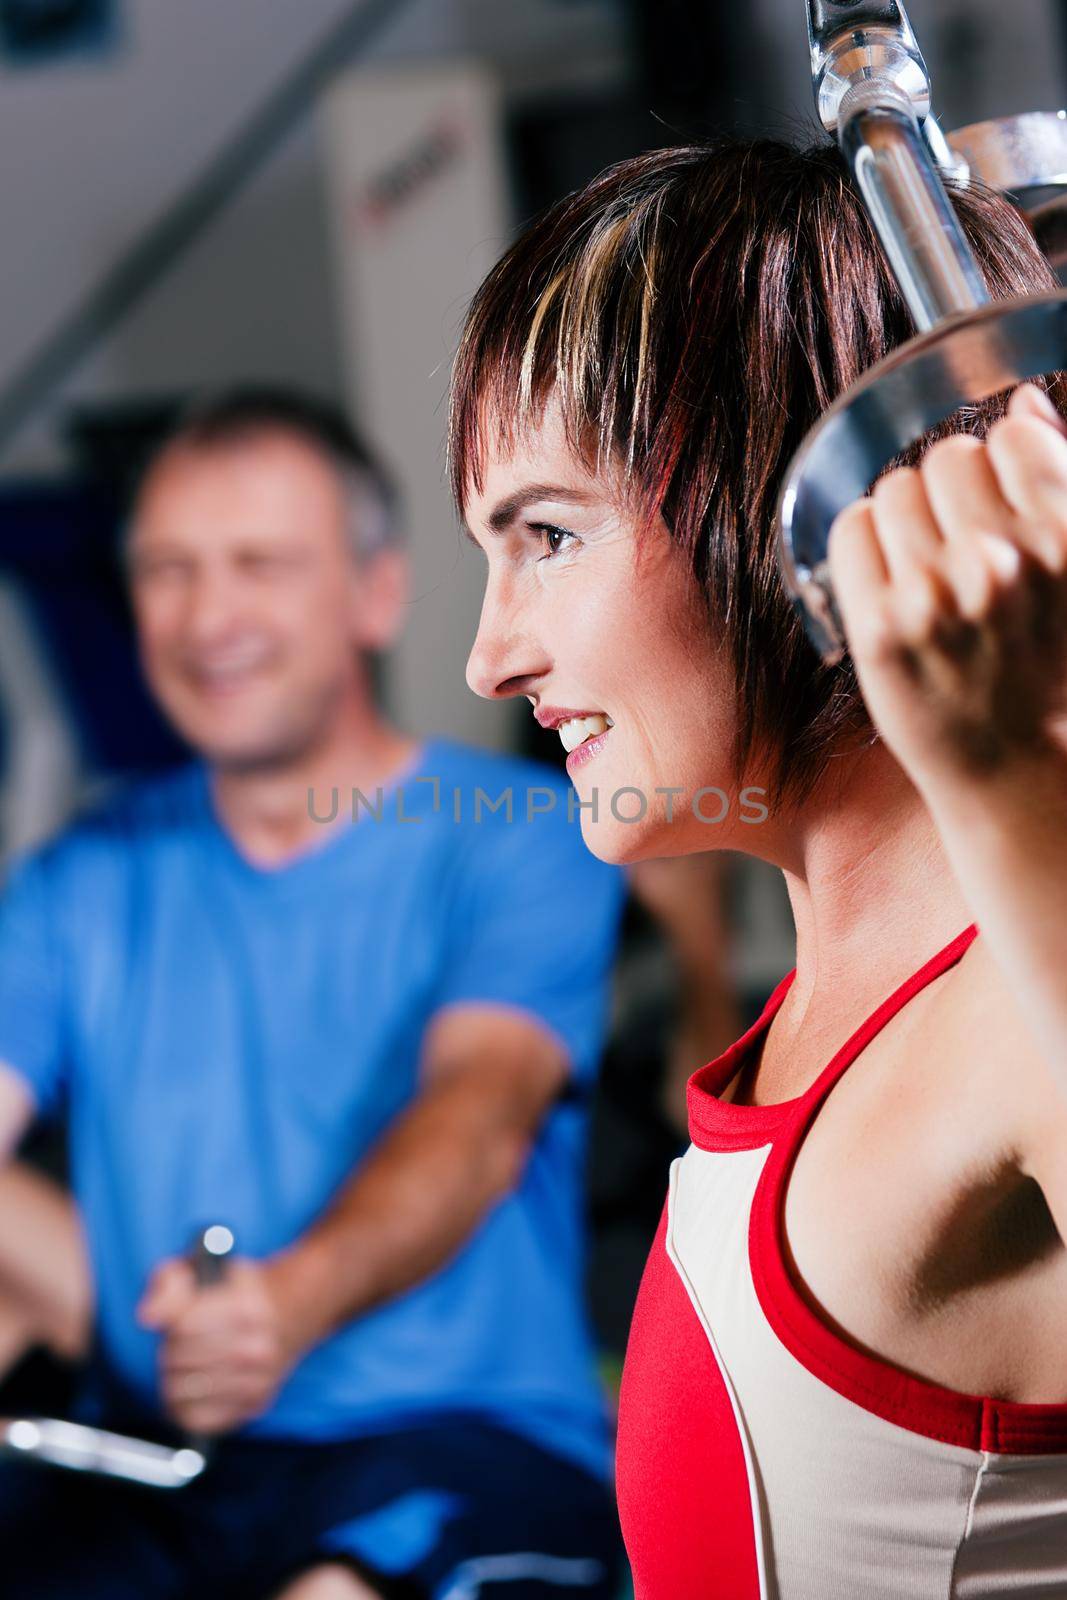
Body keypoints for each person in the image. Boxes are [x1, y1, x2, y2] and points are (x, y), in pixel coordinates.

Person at [450, 138, 1067, 1594]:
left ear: (829, 505)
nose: (490, 658)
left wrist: (1019, 773)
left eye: (547, 533)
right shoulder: (824, 1017)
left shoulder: (1006, 1020)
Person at [0, 389, 625, 1599]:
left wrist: (284, 1305)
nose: (208, 614)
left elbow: (480, 1117)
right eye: (167, 570)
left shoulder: (514, 837)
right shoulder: (80, 878)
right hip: (159, 1462)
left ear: (375, 593)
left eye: (259, 565)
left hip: (455, 1438)